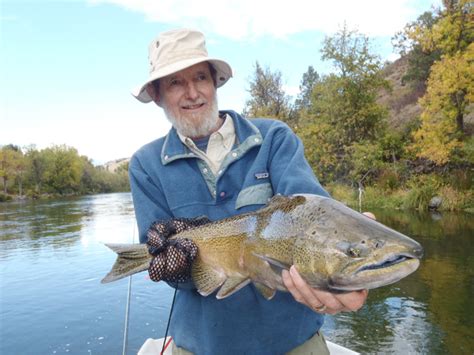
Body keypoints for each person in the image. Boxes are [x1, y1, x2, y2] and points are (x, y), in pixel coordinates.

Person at [129, 28, 368, 355]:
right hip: (201, 344)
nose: (192, 92)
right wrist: (178, 265)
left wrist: (347, 244)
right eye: (175, 83)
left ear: (215, 82)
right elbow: (163, 265)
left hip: (292, 338)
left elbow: (312, 211)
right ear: (157, 95)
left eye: (200, 77)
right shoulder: (145, 164)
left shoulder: (273, 138)